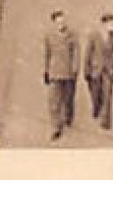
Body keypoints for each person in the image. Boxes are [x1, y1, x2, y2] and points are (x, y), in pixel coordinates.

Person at [42, 10, 78, 141]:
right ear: (54, 23)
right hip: (54, 73)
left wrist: (75, 69)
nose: (61, 24)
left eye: (63, 21)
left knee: (68, 98)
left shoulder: (72, 34)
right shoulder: (49, 36)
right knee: (54, 101)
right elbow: (47, 54)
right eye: (58, 21)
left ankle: (68, 116)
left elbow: (76, 52)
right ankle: (56, 127)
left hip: (68, 73)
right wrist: (46, 70)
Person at [82, 13, 113, 129]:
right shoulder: (94, 35)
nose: (112, 26)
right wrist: (86, 70)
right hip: (95, 69)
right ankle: (96, 107)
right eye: (110, 23)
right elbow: (88, 53)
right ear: (104, 24)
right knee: (95, 93)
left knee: (108, 95)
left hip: (109, 70)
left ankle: (106, 121)